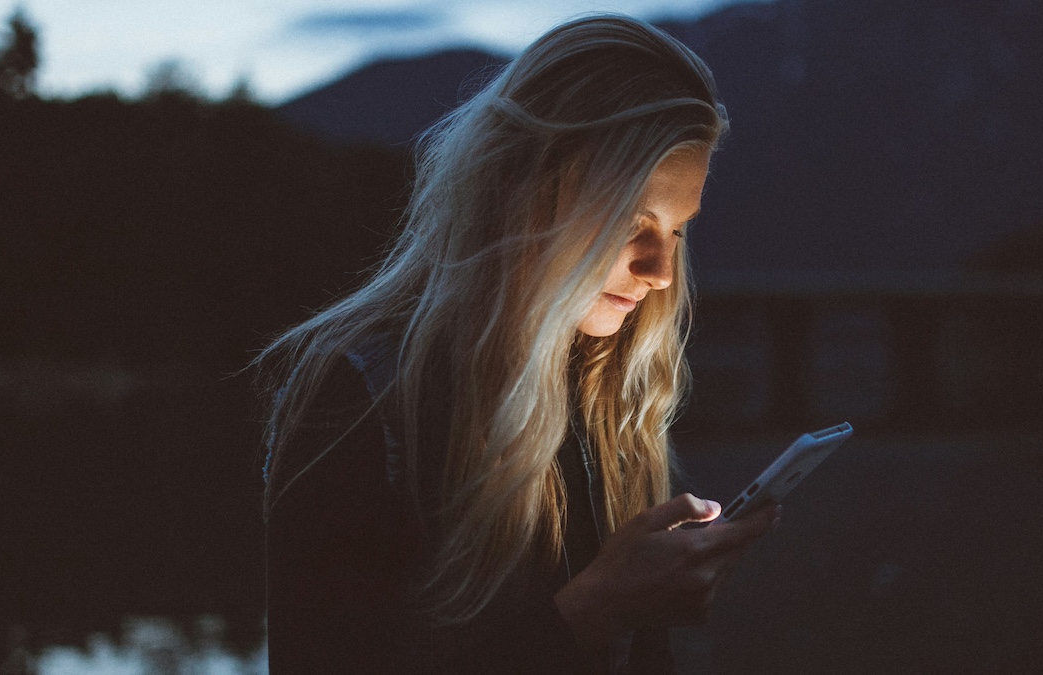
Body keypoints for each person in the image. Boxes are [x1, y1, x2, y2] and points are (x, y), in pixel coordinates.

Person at [256, 14, 779, 674]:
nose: (662, 272)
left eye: (676, 231)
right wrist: (598, 609)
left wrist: (645, 603)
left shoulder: (605, 394)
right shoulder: (360, 397)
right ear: (527, 187)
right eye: (632, 221)